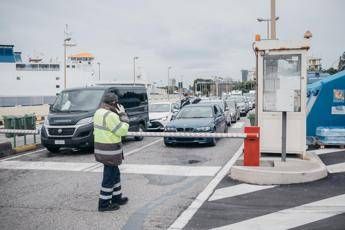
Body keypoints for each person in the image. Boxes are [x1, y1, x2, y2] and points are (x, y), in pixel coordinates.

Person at [93, 93, 129, 212]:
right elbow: (122, 131)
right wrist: (123, 114)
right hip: (110, 151)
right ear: (114, 103)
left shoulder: (98, 112)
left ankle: (116, 198)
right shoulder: (110, 115)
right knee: (109, 178)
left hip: (102, 149)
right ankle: (104, 204)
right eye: (117, 103)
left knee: (115, 174)